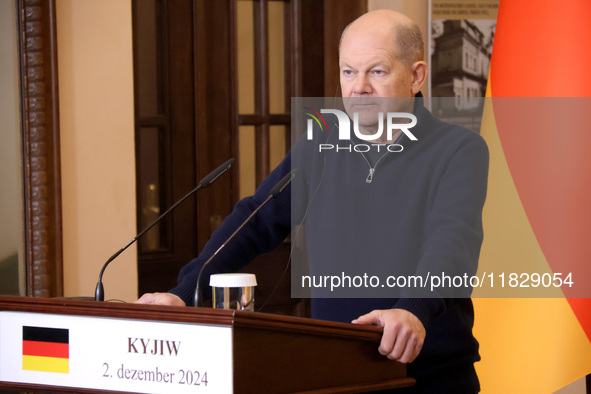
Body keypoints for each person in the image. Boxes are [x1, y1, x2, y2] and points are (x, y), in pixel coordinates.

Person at [137, 9, 488, 393]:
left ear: (416, 76)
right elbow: (252, 222)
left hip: (429, 376)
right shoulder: (320, 148)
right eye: (348, 71)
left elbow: (453, 242)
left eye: (378, 71)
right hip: (336, 371)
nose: (358, 88)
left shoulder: (459, 150)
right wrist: (183, 293)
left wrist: (412, 310)